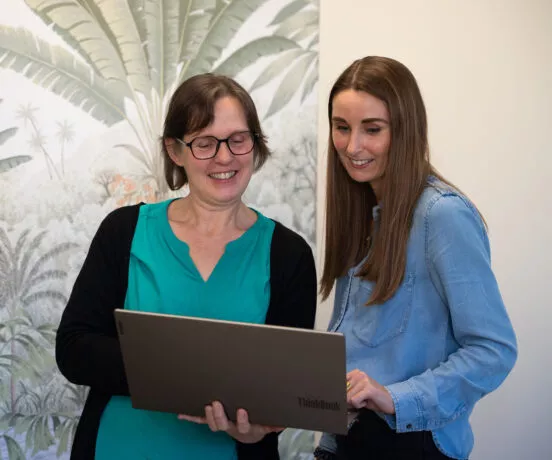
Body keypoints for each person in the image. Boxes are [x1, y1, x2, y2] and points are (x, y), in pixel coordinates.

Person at [56, 73, 317, 460]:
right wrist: (188, 372)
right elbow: (74, 349)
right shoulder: (123, 232)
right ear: (175, 151)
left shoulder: (289, 255)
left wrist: (253, 433)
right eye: (205, 143)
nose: (224, 157)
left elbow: (280, 394)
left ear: (255, 146)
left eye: (238, 139)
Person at [313, 56, 517, 460]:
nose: (353, 146)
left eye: (372, 129)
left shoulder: (442, 215)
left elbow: (494, 350)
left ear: (405, 130)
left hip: (413, 445)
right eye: (342, 128)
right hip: (350, 440)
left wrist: (395, 397)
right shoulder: (359, 210)